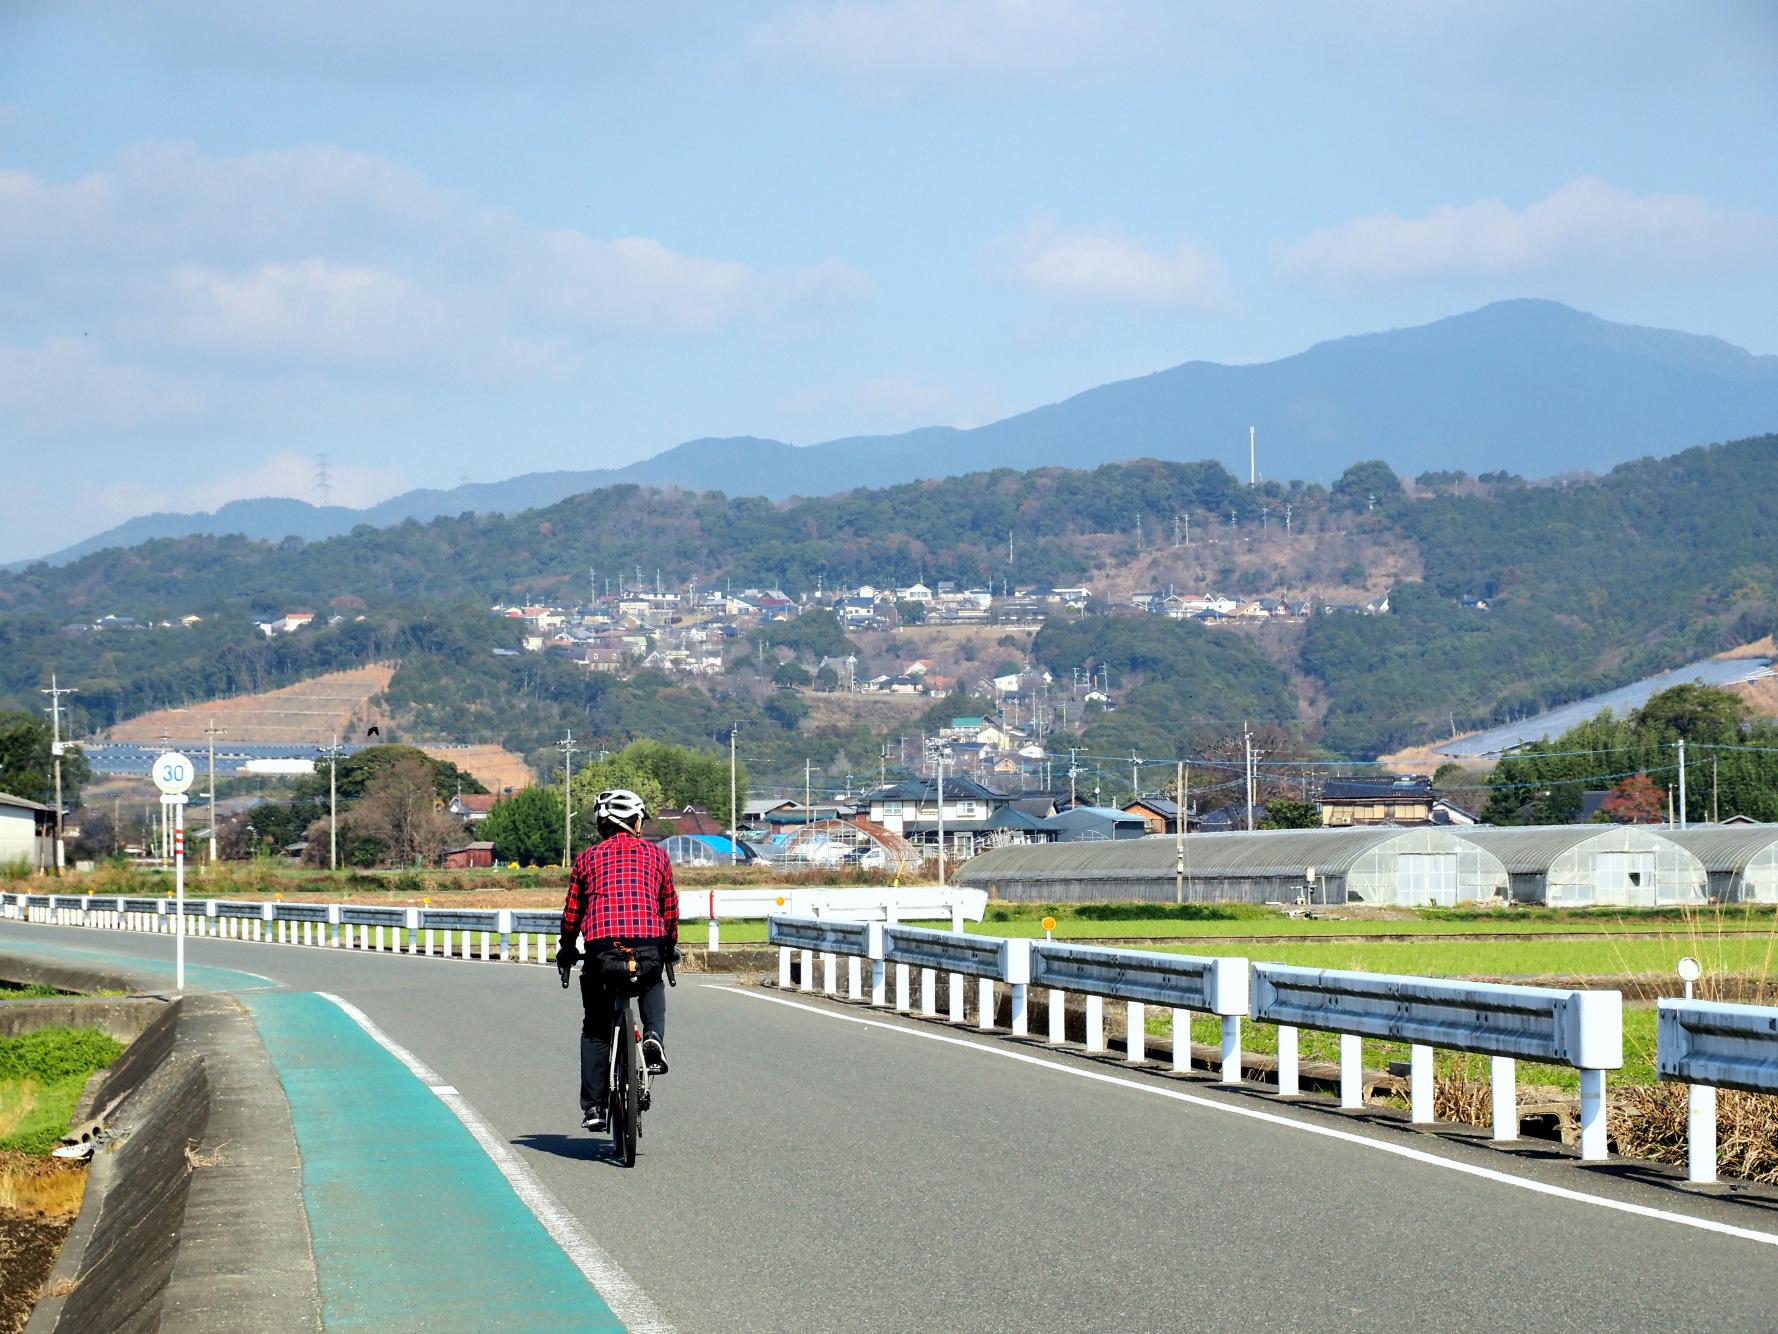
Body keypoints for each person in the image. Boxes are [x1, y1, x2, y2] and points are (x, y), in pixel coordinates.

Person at [557, 787, 680, 1132]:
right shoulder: (657, 856)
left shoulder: (586, 859)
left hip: (602, 950)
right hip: (647, 948)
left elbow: (572, 914)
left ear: (603, 825)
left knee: (595, 1027)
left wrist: (567, 948)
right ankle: (653, 1036)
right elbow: (669, 907)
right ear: (635, 821)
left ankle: (594, 1106)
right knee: (651, 979)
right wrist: (669, 945)